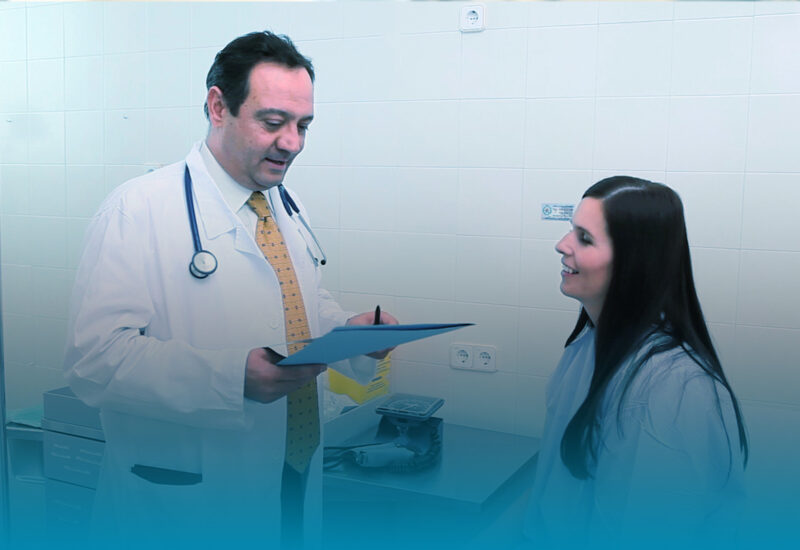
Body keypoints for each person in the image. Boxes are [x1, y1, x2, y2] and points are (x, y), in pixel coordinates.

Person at [63, 31, 395, 549]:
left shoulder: (285, 204)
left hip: (292, 469)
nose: (293, 143)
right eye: (273, 122)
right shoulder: (138, 209)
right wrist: (230, 378)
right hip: (191, 493)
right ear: (219, 107)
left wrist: (349, 331)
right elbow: (94, 361)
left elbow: (296, 303)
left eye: (303, 125)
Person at [522, 176, 748, 549]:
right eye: (571, 231)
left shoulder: (675, 388)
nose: (562, 245)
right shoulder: (587, 345)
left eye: (585, 238)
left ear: (634, 262)